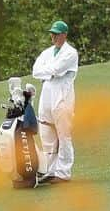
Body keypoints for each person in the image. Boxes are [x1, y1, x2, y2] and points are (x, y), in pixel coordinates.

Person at [31, 20, 78, 184]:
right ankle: (50, 170)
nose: (54, 36)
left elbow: (58, 70)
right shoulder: (46, 53)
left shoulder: (71, 53)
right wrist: (50, 72)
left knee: (63, 134)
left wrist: (50, 71)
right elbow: (36, 71)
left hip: (63, 95)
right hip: (47, 94)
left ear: (64, 35)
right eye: (52, 33)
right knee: (47, 132)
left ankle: (63, 172)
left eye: (57, 34)